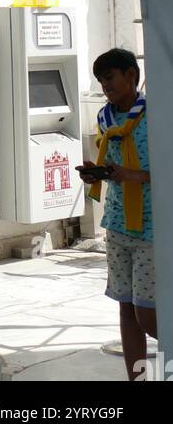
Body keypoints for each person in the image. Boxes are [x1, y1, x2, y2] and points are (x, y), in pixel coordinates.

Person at [80, 48, 154, 382]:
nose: (105, 85)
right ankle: (136, 378)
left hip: (153, 227)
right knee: (125, 306)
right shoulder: (105, 119)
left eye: (109, 77)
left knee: (148, 314)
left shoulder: (156, 113)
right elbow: (114, 166)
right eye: (100, 80)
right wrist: (99, 173)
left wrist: (134, 175)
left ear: (131, 76)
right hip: (117, 222)